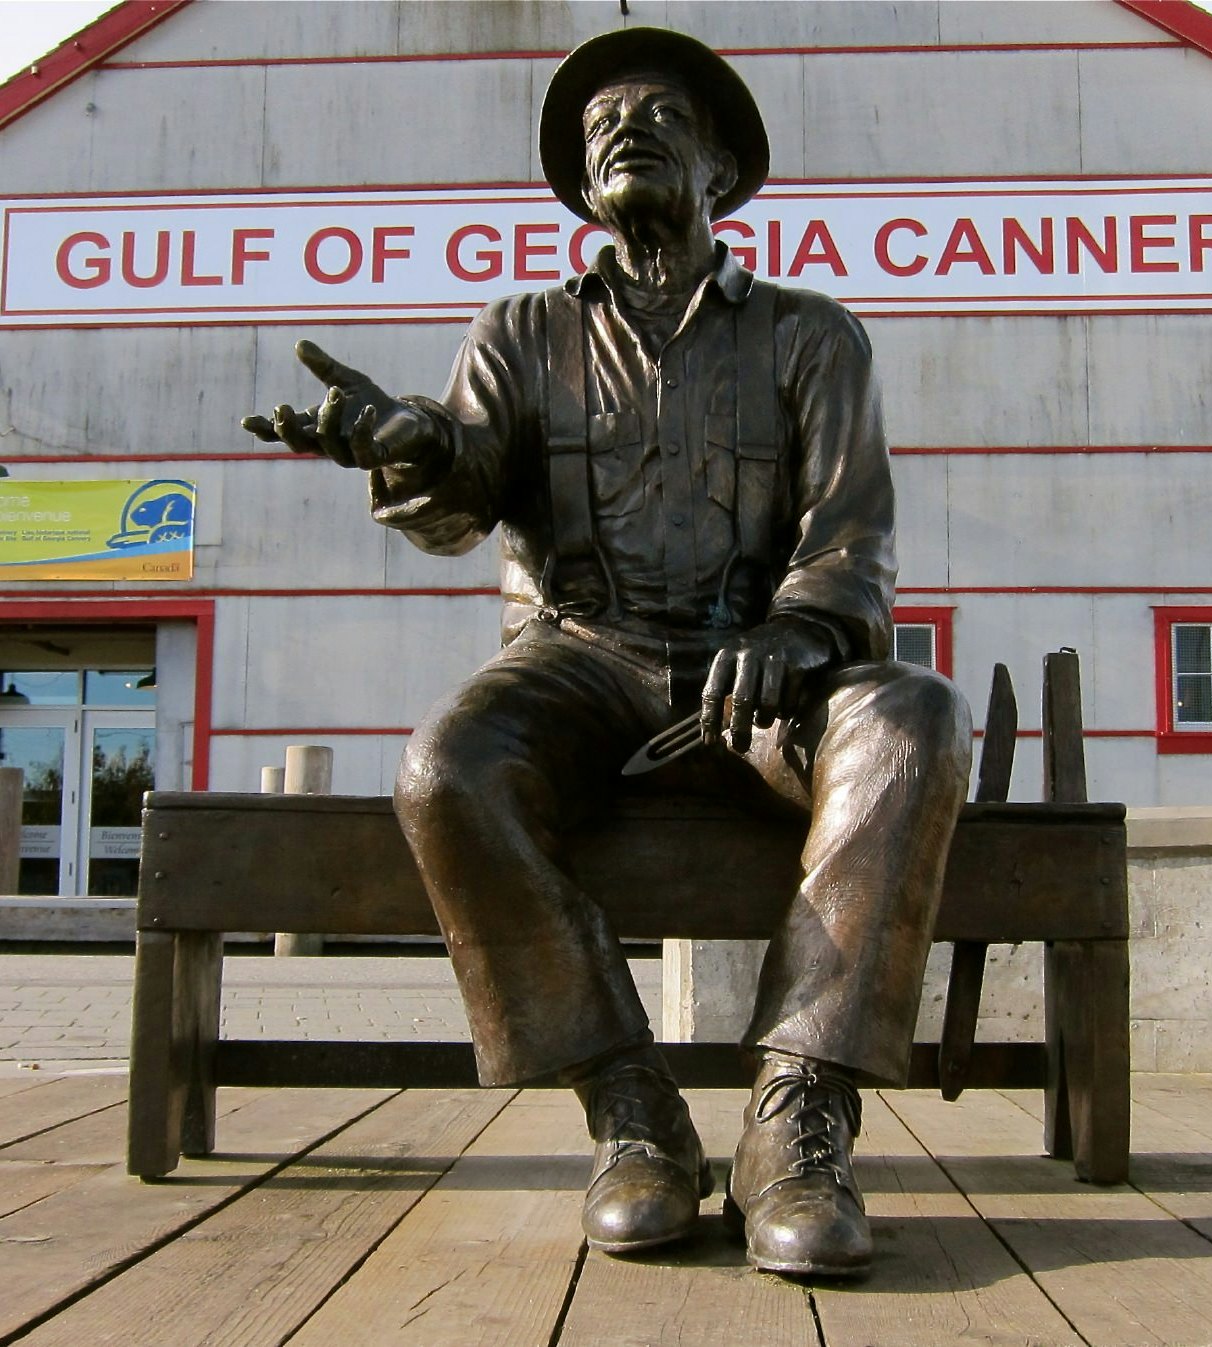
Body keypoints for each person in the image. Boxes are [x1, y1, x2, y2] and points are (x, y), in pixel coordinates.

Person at [243, 27, 971, 1279]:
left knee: (913, 717)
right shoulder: (521, 333)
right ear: (583, 190)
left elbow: (851, 545)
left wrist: (797, 636)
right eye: (599, 131)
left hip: (761, 684)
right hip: (581, 665)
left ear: (727, 175)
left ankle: (799, 1123)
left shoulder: (814, 339)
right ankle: (628, 1110)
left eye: (659, 118)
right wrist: (413, 443)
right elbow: (466, 491)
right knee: (445, 766)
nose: (622, 131)